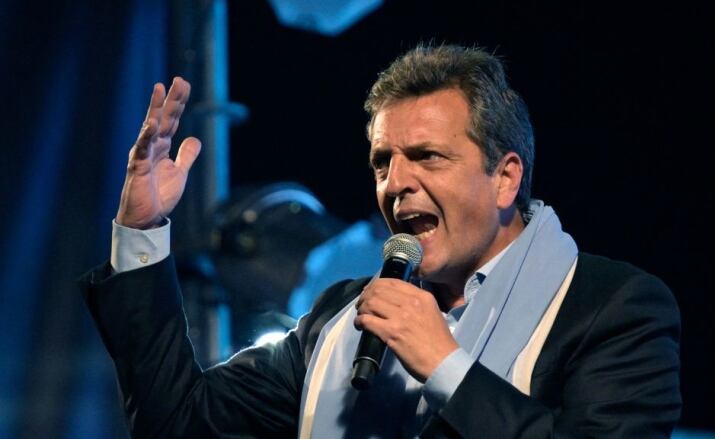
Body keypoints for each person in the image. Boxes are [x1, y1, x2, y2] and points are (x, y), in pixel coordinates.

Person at [79, 44, 681, 438]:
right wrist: (140, 233)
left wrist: (445, 364)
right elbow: (179, 422)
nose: (396, 184)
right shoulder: (343, 318)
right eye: (381, 162)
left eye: (426, 157)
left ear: (505, 177)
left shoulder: (613, 308)